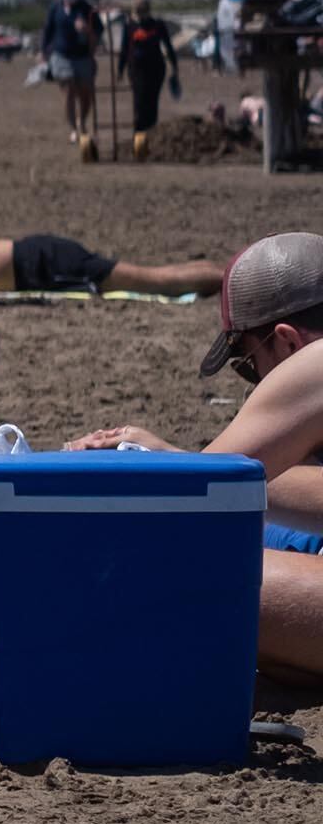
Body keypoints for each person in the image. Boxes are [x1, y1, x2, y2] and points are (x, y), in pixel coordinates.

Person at [68, 234, 323, 682]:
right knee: (266, 532)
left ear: (285, 342)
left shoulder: (312, 367)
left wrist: (145, 470)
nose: (252, 383)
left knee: (156, 572)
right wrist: (179, 457)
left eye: (247, 362)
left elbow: (193, 501)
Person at [0, 223, 232, 300]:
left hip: (38, 264)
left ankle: (231, 275)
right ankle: (229, 272)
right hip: (36, 257)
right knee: (151, 277)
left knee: (153, 281)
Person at [117, 0, 182, 161]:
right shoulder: (130, 26)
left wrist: (174, 66)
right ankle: (138, 140)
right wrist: (120, 70)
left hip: (155, 70)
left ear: (147, 11)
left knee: (152, 104)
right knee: (139, 105)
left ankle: (151, 137)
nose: (139, 15)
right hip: (136, 71)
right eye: (136, 12)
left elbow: (168, 46)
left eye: (142, 12)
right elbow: (124, 49)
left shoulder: (157, 25)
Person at [42, 0, 102, 149]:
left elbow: (99, 30)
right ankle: (74, 129)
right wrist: (44, 51)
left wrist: (87, 29)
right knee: (69, 89)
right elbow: (48, 30)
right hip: (61, 56)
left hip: (82, 56)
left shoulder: (86, 8)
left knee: (85, 94)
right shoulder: (55, 8)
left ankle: (82, 121)